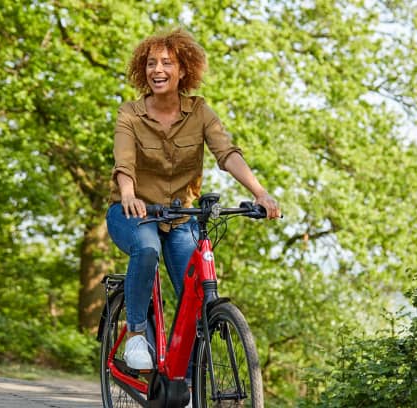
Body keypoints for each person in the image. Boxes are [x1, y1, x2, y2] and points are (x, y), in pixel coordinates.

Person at [106, 28, 281, 371]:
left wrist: (259, 192)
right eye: (151, 63)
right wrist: (128, 192)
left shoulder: (200, 112)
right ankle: (137, 335)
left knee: (196, 289)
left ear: (183, 70)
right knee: (147, 248)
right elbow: (123, 161)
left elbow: (227, 153)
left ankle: (183, 378)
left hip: (179, 217)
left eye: (167, 63)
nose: (157, 69)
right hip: (133, 213)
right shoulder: (130, 114)